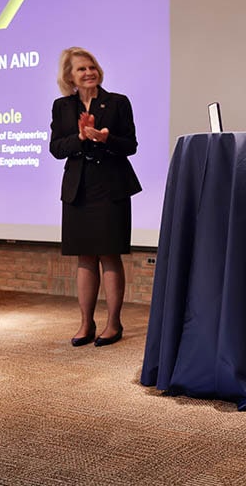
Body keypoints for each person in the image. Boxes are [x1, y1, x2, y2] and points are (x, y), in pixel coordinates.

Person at [49, 47, 142, 347]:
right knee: (85, 257)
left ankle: (113, 323)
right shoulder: (62, 107)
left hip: (111, 186)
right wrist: (79, 137)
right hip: (79, 188)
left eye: (92, 67)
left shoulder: (117, 102)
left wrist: (105, 138)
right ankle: (85, 323)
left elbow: (131, 145)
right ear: (69, 77)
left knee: (109, 255)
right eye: (81, 69)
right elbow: (56, 148)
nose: (89, 72)